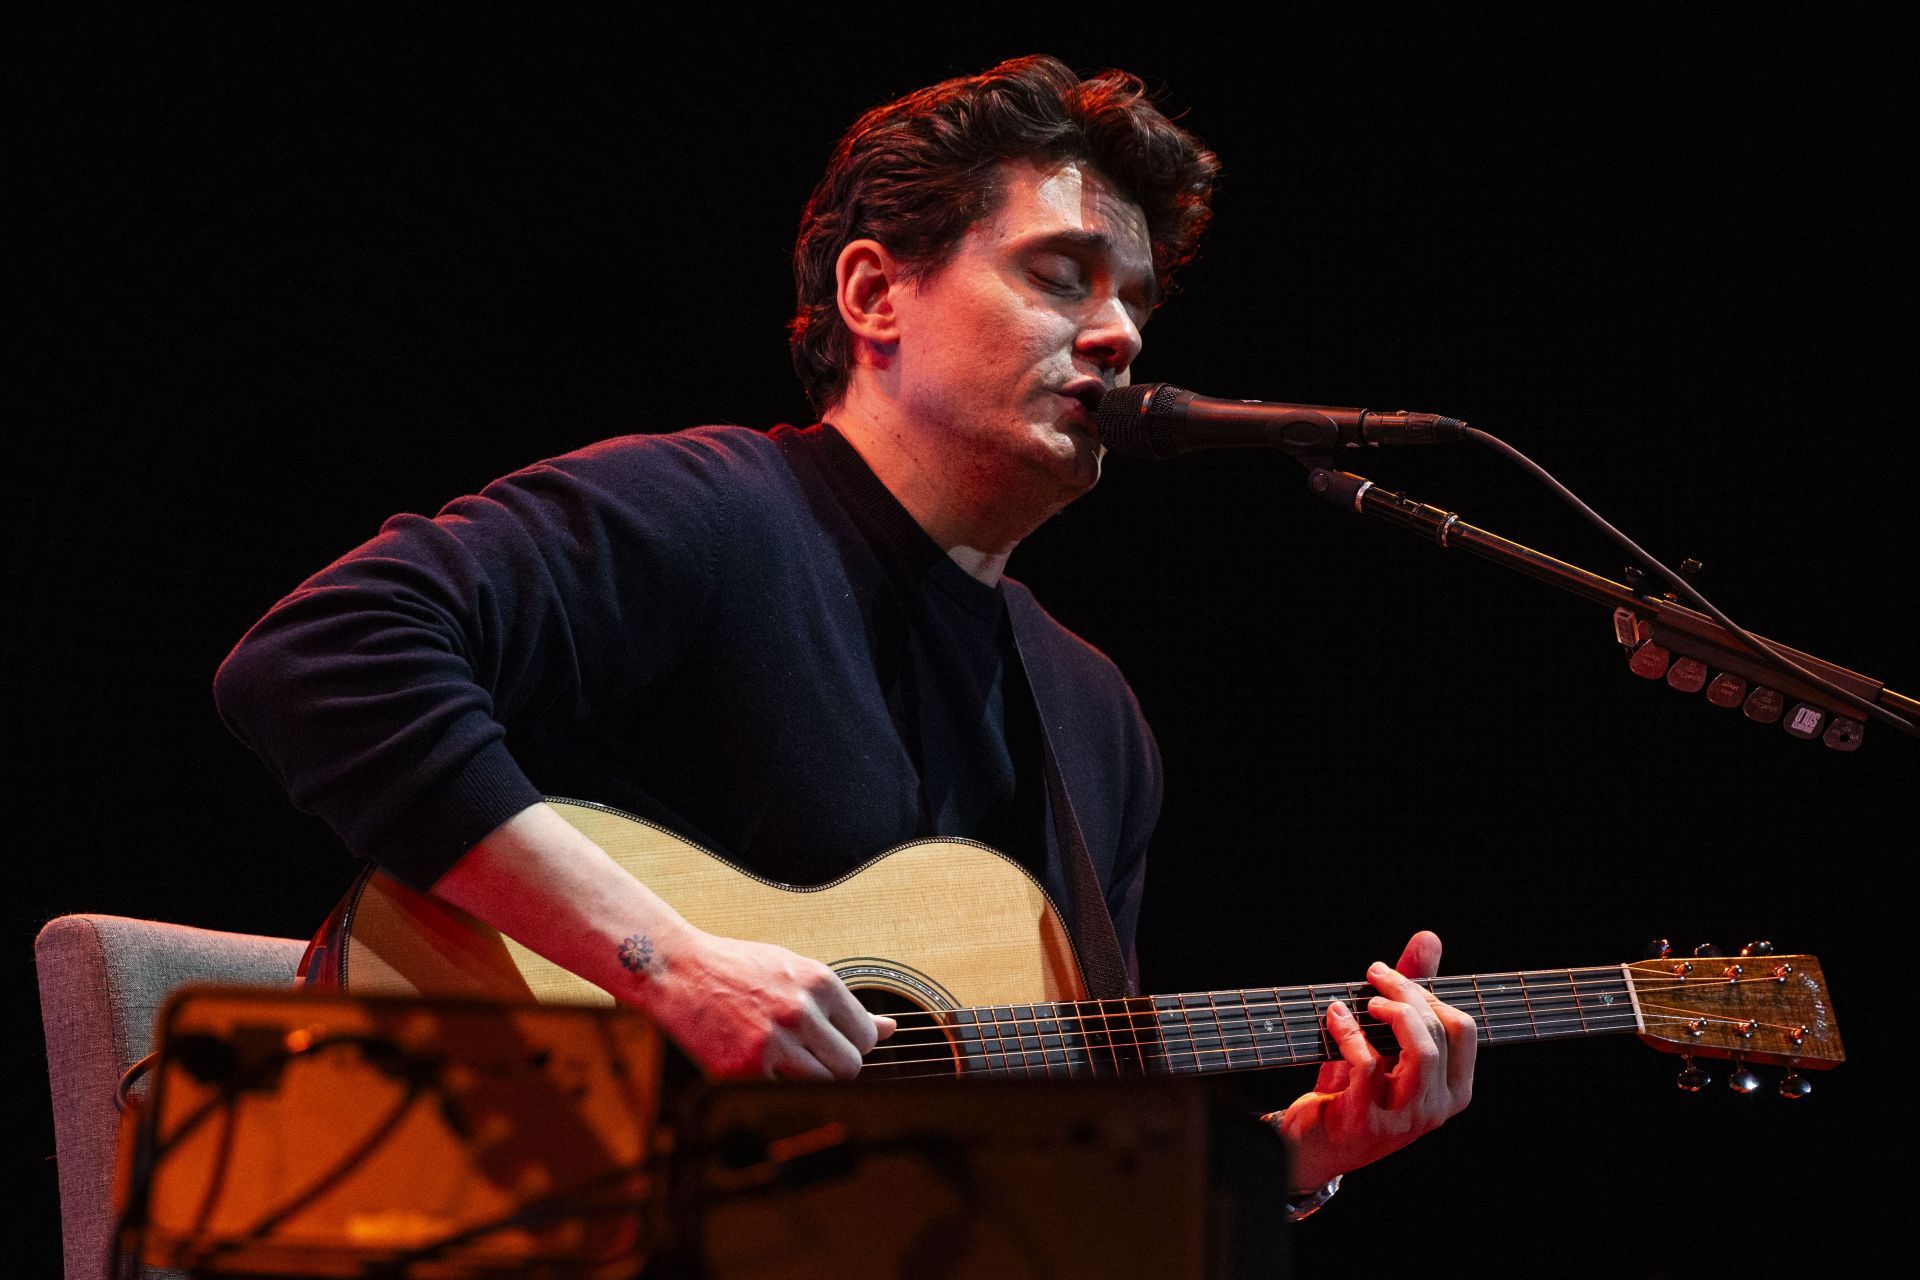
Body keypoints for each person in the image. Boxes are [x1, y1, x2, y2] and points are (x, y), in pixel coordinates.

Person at [213, 54, 1474, 1214]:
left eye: (1136, 299)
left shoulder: (1095, 718)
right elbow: (323, 653)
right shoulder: (709, 512)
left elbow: (1042, 1165)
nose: (1121, 334)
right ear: (876, 292)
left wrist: (1297, 1153)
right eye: (1059, 274)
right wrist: (670, 965)